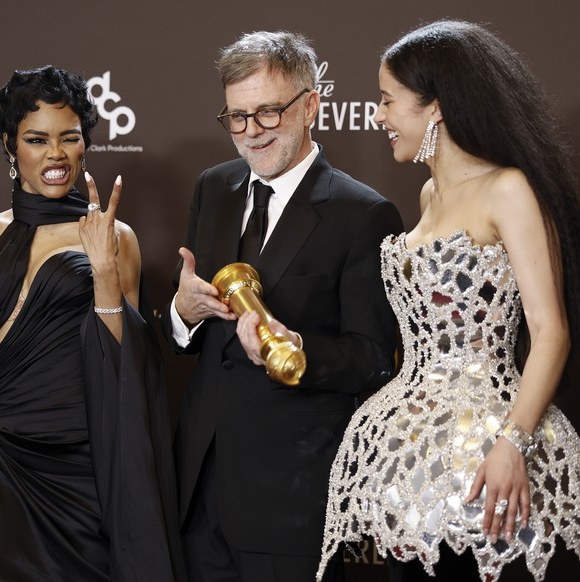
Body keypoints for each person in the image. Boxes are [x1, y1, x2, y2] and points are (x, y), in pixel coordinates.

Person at [317, 20, 580, 582]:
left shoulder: (507, 189)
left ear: (434, 107)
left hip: (490, 454)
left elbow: (550, 330)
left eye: (388, 101)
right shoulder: (428, 193)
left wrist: (512, 442)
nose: (379, 116)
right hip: (414, 458)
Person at [161, 31, 403, 581]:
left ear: (311, 105)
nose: (251, 132)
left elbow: (372, 358)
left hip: (292, 497)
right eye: (237, 117)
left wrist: (299, 351)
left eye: (267, 113)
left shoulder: (363, 214)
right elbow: (186, 335)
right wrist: (182, 313)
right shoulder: (213, 188)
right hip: (199, 485)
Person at [0, 65, 184, 582]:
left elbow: (130, 367)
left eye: (69, 138)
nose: (55, 154)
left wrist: (102, 272)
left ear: (84, 145)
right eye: (37, 139)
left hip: (81, 468)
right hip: (7, 462)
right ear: (11, 147)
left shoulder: (114, 236)